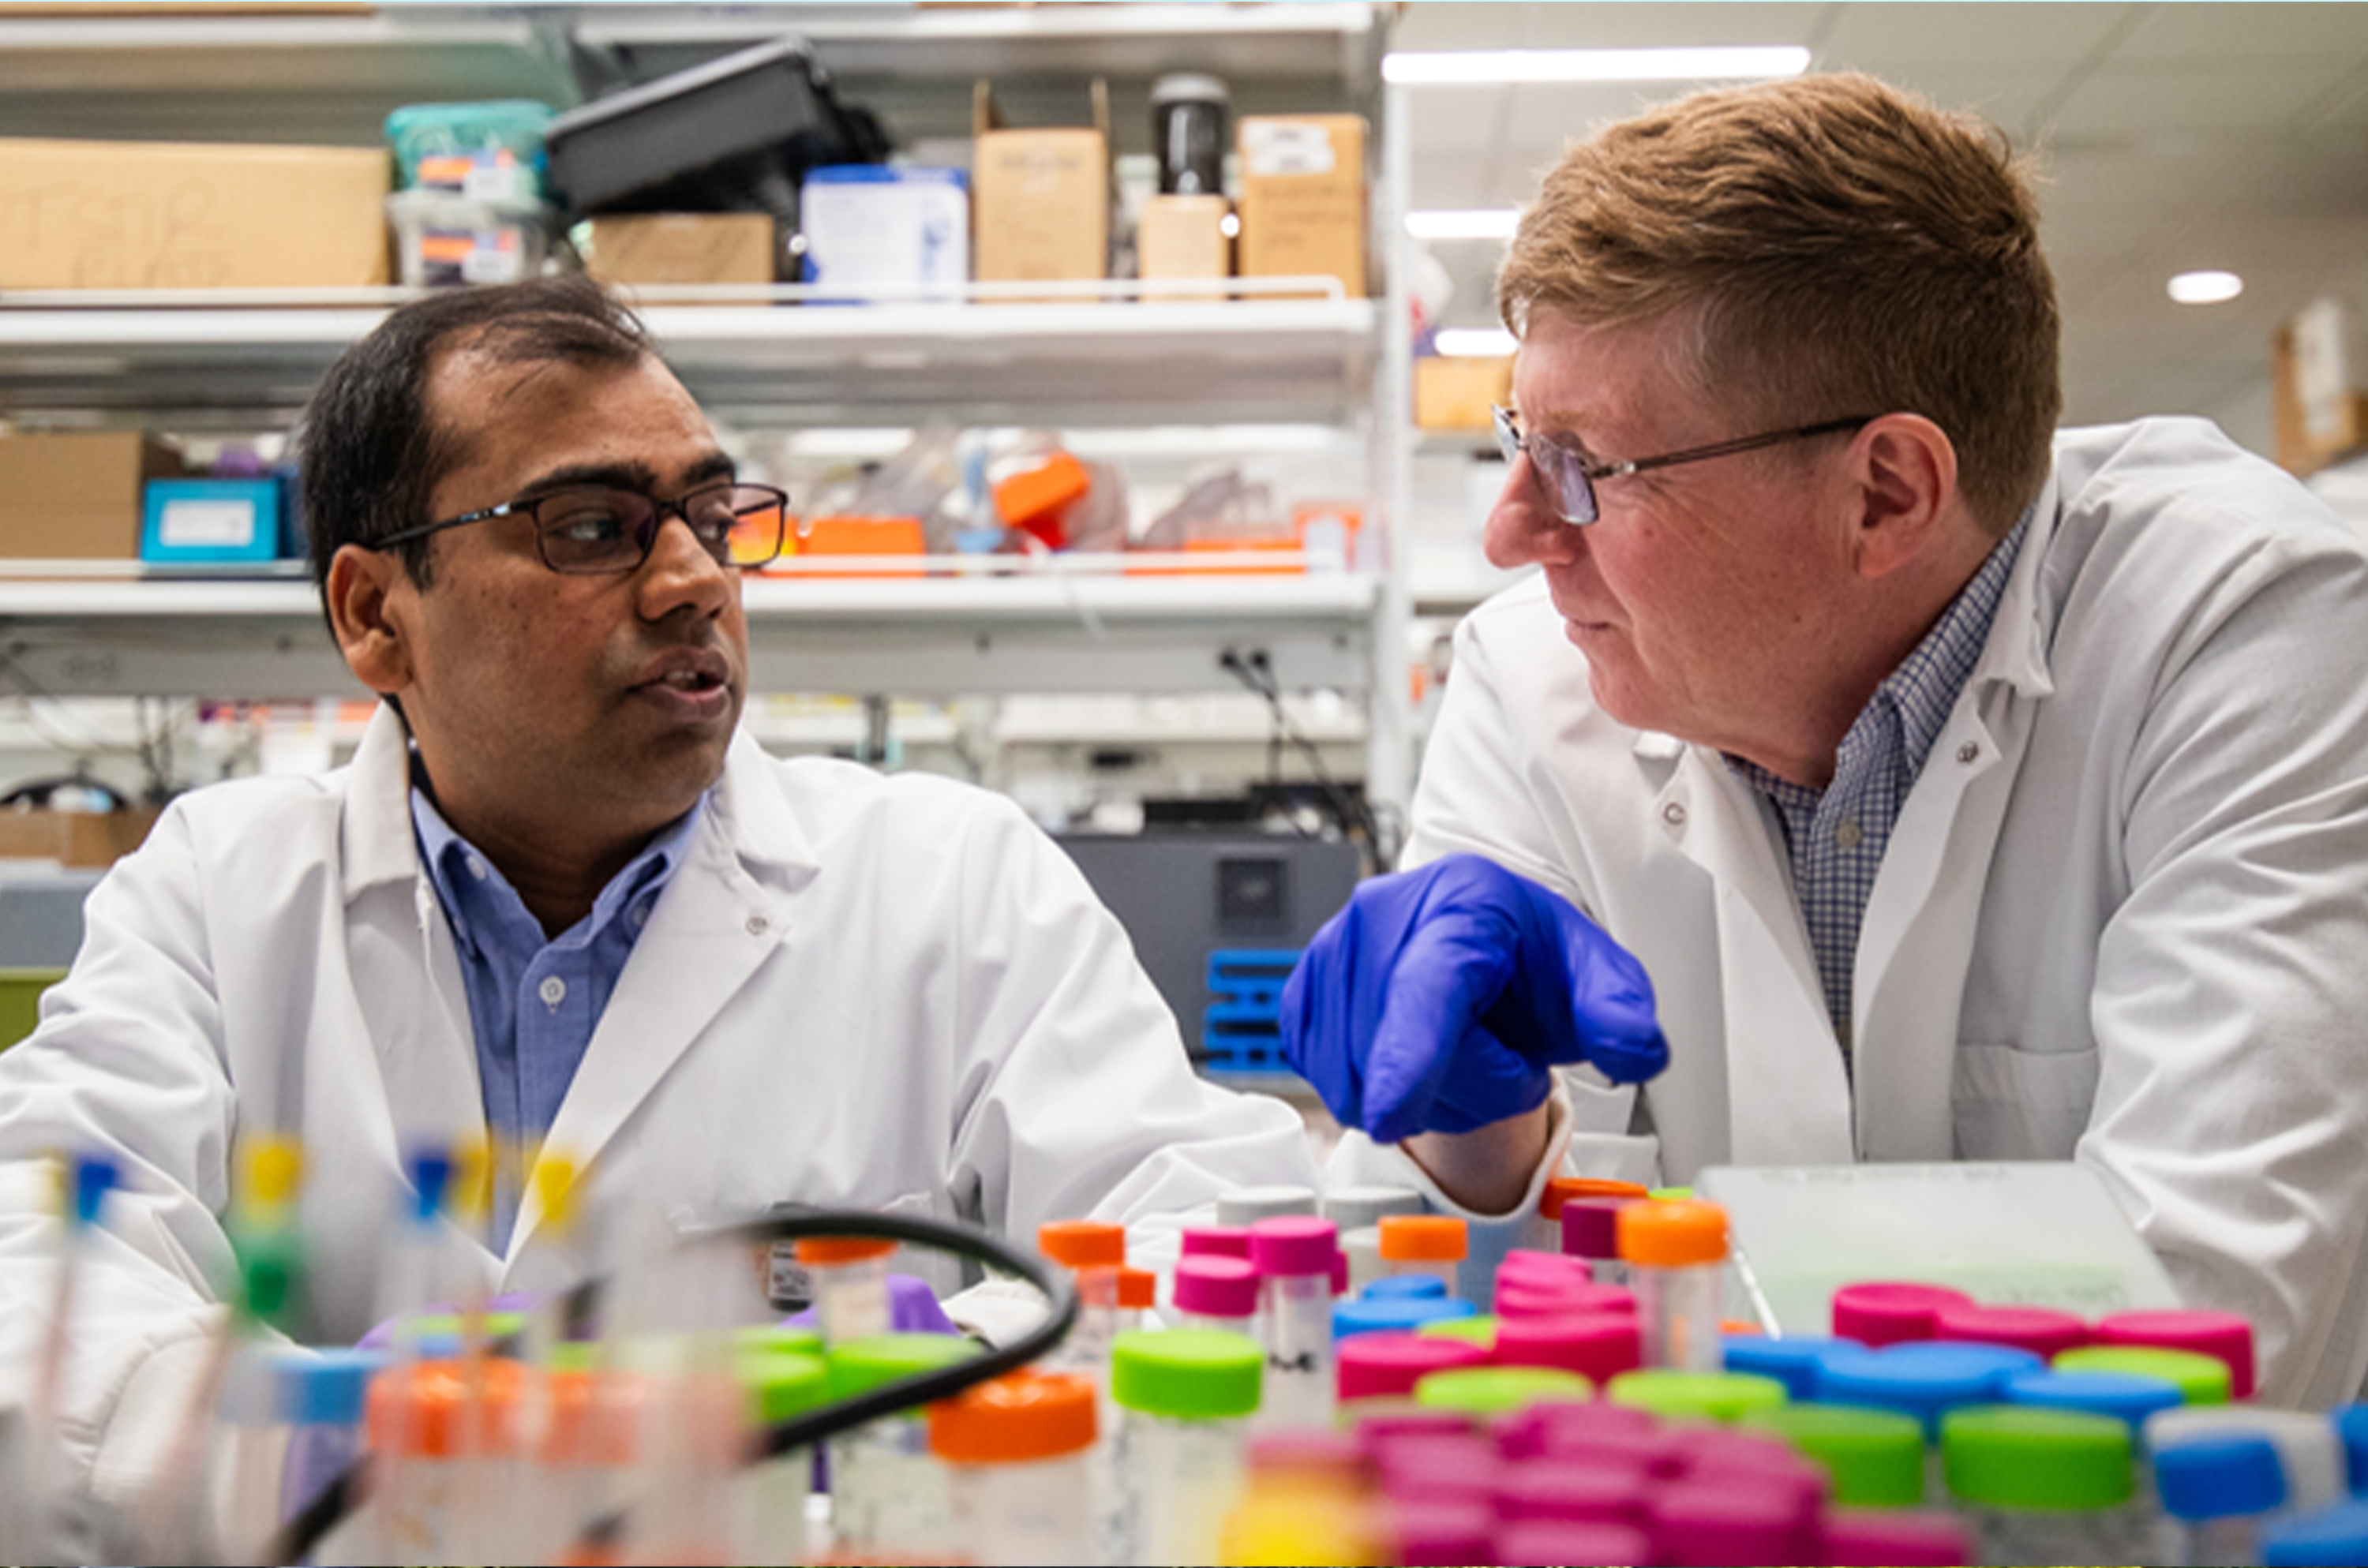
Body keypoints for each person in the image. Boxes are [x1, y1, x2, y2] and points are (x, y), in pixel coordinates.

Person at [0, 275, 1318, 1503]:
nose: (695, 581)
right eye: (591, 528)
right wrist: (313, 1436)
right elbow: (36, 1266)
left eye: (710, 515)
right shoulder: (216, 899)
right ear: (375, 614)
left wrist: (828, 1391)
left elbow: (1211, 1236)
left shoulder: (953, 881)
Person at [1289, 72, 2368, 1408]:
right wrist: (1477, 1148)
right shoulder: (1535, 676)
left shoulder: (2242, 628)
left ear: (1886, 491)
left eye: (1584, 466)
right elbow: (1386, 1340)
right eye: (1522, 440)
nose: (1513, 533)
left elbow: (2216, 1329)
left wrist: (1676, 1339)